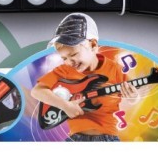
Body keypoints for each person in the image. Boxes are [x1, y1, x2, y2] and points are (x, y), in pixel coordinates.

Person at [30, 12, 137, 141]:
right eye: (64, 58)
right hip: (75, 138)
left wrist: (133, 96)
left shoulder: (115, 69)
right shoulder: (64, 70)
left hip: (108, 138)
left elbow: (132, 98)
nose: (69, 62)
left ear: (93, 45)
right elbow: (37, 91)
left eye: (73, 54)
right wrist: (65, 105)